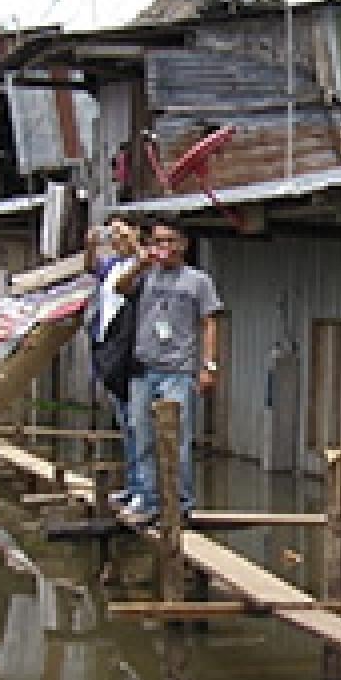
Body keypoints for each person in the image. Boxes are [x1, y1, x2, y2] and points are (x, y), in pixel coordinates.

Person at [115, 217, 222, 521]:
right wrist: (140, 263)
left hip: (179, 369)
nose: (164, 248)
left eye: (170, 241)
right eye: (158, 241)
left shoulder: (198, 281)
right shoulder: (144, 275)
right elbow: (120, 287)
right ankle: (148, 500)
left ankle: (181, 504)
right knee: (142, 435)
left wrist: (208, 366)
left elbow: (209, 322)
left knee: (178, 439)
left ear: (183, 244)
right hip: (143, 367)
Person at [84, 214, 143, 510]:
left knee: (138, 423)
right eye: (114, 235)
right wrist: (91, 242)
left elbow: (140, 259)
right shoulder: (111, 267)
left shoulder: (141, 267)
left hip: (131, 350)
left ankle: (144, 490)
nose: (116, 240)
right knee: (126, 424)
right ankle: (133, 487)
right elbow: (91, 267)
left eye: (121, 234)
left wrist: (130, 238)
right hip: (109, 347)